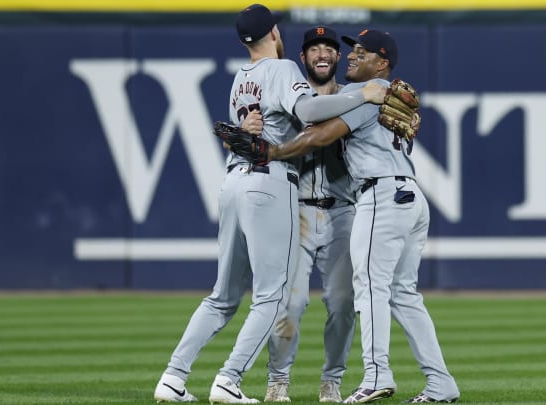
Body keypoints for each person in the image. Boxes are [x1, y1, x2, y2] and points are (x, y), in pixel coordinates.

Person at [153, 5, 386, 404]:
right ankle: (230, 379)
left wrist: (242, 132)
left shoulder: (240, 79)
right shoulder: (281, 71)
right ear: (275, 34)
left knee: (223, 296)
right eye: (314, 47)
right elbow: (308, 111)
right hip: (272, 187)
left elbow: (247, 133)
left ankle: (172, 377)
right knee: (274, 297)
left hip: (235, 184)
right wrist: (365, 93)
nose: (323, 54)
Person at [231, 29, 460, 404]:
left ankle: (375, 376)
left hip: (379, 195)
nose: (353, 56)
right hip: (407, 195)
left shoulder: (368, 94)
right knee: (403, 294)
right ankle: (440, 383)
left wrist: (269, 153)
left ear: (381, 63)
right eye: (352, 50)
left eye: (361, 52)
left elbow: (319, 137)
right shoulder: (376, 93)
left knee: (369, 288)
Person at [256, 26, 356, 404]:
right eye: (314, 49)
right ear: (303, 59)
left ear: (338, 57)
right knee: (290, 303)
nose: (322, 54)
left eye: (328, 48)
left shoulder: (351, 97)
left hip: (342, 210)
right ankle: (278, 380)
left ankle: (332, 381)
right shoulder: (288, 95)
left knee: (343, 304)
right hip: (295, 211)